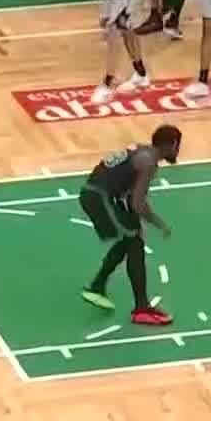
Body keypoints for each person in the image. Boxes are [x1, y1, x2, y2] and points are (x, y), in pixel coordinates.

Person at [77, 125, 180, 326]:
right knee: (134, 242)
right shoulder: (148, 163)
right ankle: (141, 308)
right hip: (100, 198)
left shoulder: (142, 151)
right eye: (177, 146)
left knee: (130, 239)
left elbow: (130, 194)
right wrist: (159, 223)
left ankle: (97, 286)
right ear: (171, 145)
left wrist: (136, 220)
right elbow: (137, 203)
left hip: (97, 194)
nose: (178, 151)